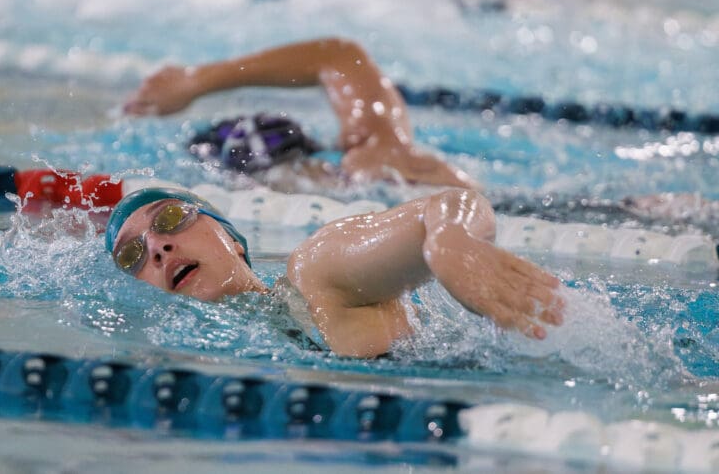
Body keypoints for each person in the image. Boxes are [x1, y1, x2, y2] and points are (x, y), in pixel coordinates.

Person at [105, 186, 565, 358]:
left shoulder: (316, 278)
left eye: (170, 220)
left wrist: (450, 243)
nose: (157, 247)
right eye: (132, 257)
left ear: (234, 240)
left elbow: (451, 204)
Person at [122, 37, 483, 193]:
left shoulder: (371, 161)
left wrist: (195, 80)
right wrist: (196, 80)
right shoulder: (380, 153)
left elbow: (341, 56)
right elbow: (341, 56)